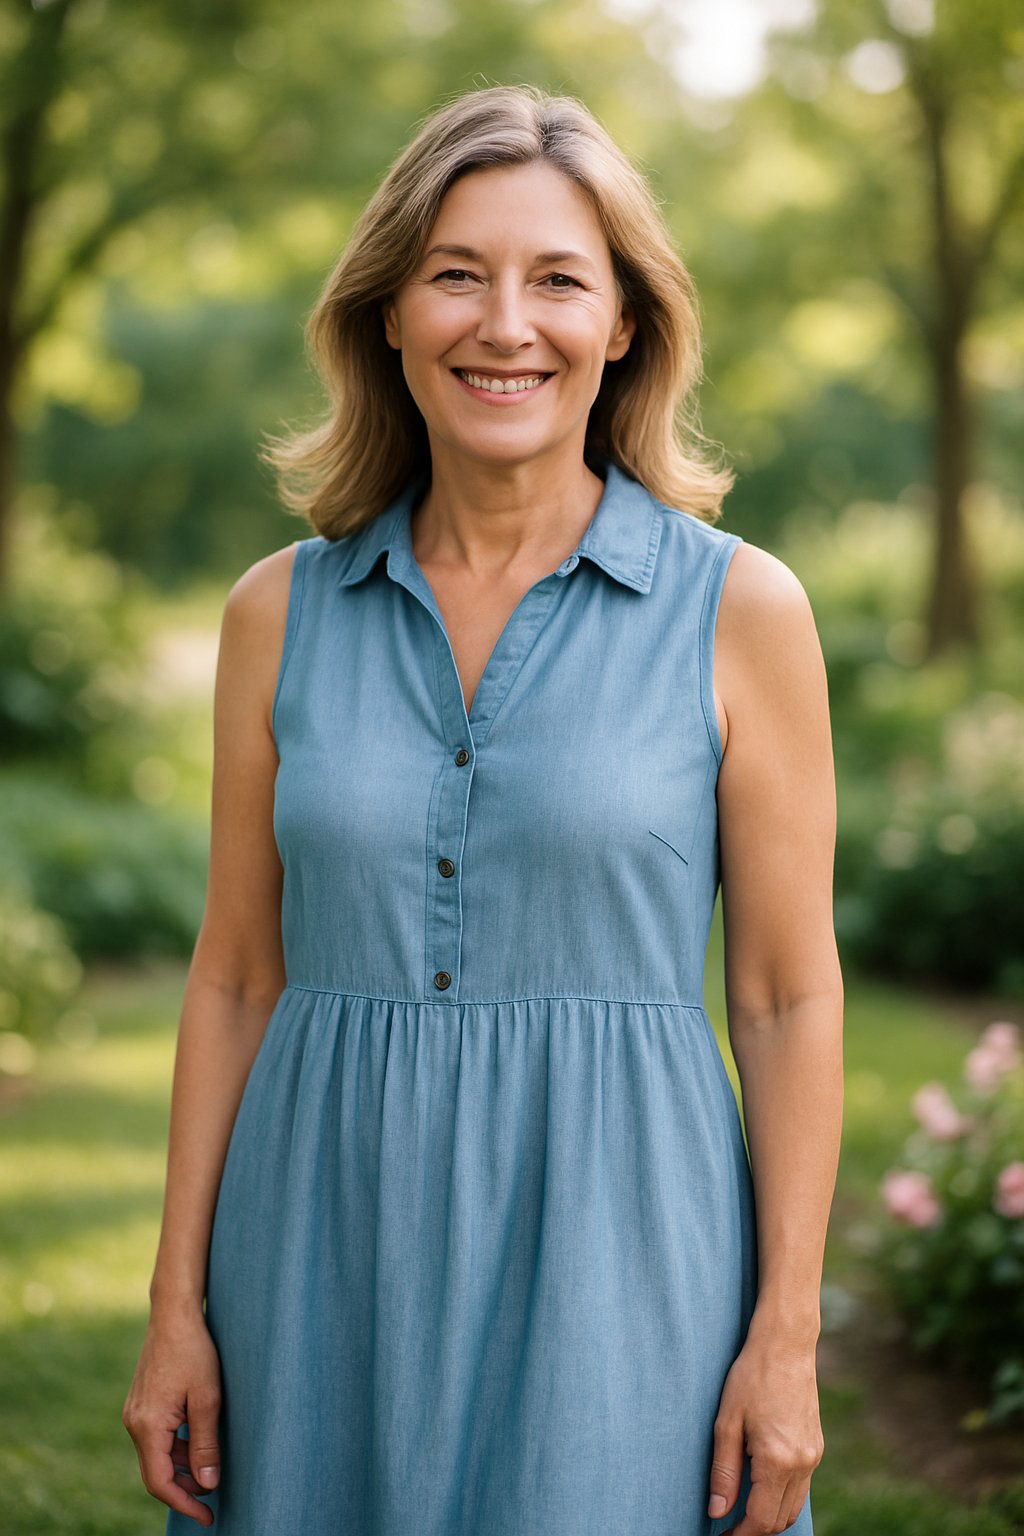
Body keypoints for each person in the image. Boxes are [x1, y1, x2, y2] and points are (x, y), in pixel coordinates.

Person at [122, 82, 843, 1536]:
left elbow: (781, 996)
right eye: (457, 274)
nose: (504, 324)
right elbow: (237, 973)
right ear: (388, 313)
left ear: (625, 323)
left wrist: (785, 1334)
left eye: (558, 279)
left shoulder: (741, 610)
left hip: (625, 1253)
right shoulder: (277, 613)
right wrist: (177, 1305)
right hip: (315, 1248)